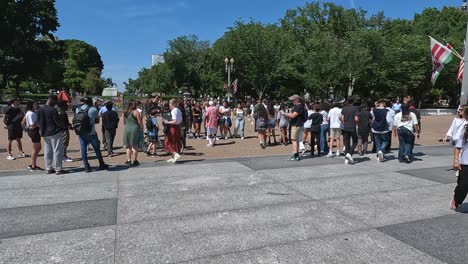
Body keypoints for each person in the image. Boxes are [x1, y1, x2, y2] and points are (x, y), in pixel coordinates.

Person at [75, 97, 109, 173]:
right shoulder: (93, 109)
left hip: (81, 132)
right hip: (91, 132)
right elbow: (97, 121)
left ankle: (86, 167)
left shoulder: (78, 109)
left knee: (83, 150)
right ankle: (101, 164)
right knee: (97, 149)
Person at [37, 95, 67, 175]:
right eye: (55, 101)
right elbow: (57, 121)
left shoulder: (40, 109)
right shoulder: (52, 110)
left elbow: (39, 122)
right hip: (54, 132)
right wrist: (65, 127)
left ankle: (48, 168)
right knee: (57, 150)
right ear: (51, 100)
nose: (55, 104)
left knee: (47, 151)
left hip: (45, 132)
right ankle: (58, 168)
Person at [451, 105, 468, 210]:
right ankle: (456, 199)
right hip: (466, 163)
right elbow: (458, 147)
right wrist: (456, 161)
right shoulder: (465, 129)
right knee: (463, 186)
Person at [281, 94, 305, 161]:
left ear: (297, 99)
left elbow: (293, 116)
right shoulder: (298, 106)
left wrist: (284, 114)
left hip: (296, 125)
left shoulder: (299, 106)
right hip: (297, 124)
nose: (292, 101)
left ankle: (296, 155)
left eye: (293, 100)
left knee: (294, 140)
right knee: (296, 140)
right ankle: (296, 154)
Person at [123, 100, 143, 166]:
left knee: (128, 145)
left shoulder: (125, 112)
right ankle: (135, 160)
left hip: (127, 128)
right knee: (135, 145)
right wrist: (142, 127)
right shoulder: (136, 112)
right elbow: (139, 121)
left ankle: (128, 160)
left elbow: (124, 122)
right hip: (134, 128)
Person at [340, 99, 359, 164]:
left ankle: (346, 157)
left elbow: (341, 118)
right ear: (353, 102)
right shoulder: (355, 109)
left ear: (347, 102)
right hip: (352, 126)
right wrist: (357, 122)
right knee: (355, 141)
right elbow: (356, 119)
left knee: (347, 142)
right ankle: (350, 153)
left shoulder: (344, 108)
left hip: (345, 127)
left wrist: (344, 122)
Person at [25, 101, 42, 171]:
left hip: (34, 131)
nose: (37, 105)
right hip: (34, 131)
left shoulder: (32, 112)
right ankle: (33, 165)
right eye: (36, 104)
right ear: (32, 105)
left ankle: (32, 163)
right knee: (35, 149)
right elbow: (32, 125)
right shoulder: (31, 113)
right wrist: (40, 123)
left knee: (38, 147)